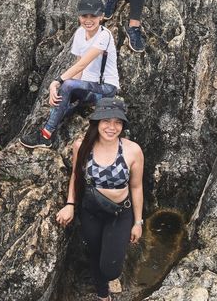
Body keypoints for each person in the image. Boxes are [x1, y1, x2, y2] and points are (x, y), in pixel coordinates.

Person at [55, 98, 144, 301]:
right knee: (94, 252)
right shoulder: (82, 145)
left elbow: (137, 187)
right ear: (97, 122)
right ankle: (103, 295)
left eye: (118, 122)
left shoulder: (132, 150)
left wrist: (138, 222)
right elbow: (76, 176)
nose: (112, 127)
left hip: (119, 213)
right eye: (106, 121)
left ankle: (111, 274)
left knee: (110, 268)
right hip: (90, 210)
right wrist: (70, 204)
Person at [20, 0, 119, 149]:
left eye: (93, 16)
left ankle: (46, 136)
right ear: (79, 16)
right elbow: (79, 66)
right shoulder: (80, 33)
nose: (88, 20)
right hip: (88, 87)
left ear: (101, 17)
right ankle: (53, 123)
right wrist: (65, 90)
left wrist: (57, 82)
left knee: (66, 85)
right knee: (63, 94)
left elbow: (82, 64)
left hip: (105, 89)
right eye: (84, 16)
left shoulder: (104, 36)